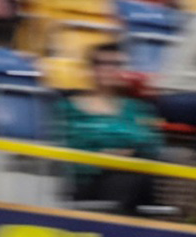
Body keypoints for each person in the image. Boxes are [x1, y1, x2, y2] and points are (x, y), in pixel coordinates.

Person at [58, 43, 163, 214]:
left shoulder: (137, 108)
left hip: (135, 177)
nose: (109, 69)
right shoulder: (68, 107)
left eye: (116, 64)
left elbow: (153, 145)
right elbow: (65, 151)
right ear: (90, 68)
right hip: (87, 181)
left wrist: (126, 154)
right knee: (127, 181)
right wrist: (103, 159)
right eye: (102, 63)